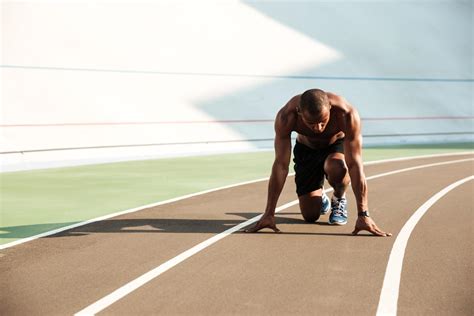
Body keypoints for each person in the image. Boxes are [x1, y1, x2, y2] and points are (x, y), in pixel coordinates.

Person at [246, 89, 391, 237]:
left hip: (335, 146)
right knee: (310, 216)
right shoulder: (286, 116)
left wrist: (363, 214)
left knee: (337, 167)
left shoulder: (346, 114)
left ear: (330, 108)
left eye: (323, 121)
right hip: (306, 150)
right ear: (299, 112)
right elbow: (281, 165)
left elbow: (354, 165)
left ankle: (338, 197)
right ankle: (319, 196)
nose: (318, 128)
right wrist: (269, 213)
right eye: (311, 123)